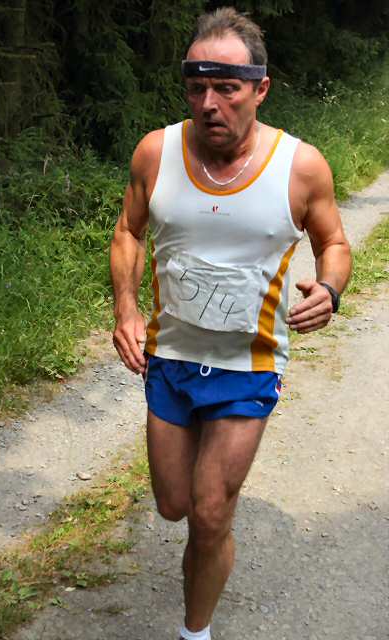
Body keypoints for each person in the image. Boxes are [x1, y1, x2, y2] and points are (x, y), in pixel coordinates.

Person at [110, 7, 351, 640]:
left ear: (260, 88)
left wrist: (329, 289)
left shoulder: (301, 167)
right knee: (174, 505)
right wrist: (126, 308)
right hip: (170, 356)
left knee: (210, 512)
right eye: (197, 88)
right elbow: (129, 231)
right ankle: (206, 518)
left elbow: (334, 243)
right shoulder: (156, 152)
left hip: (250, 363)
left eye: (227, 88)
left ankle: (196, 631)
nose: (209, 104)